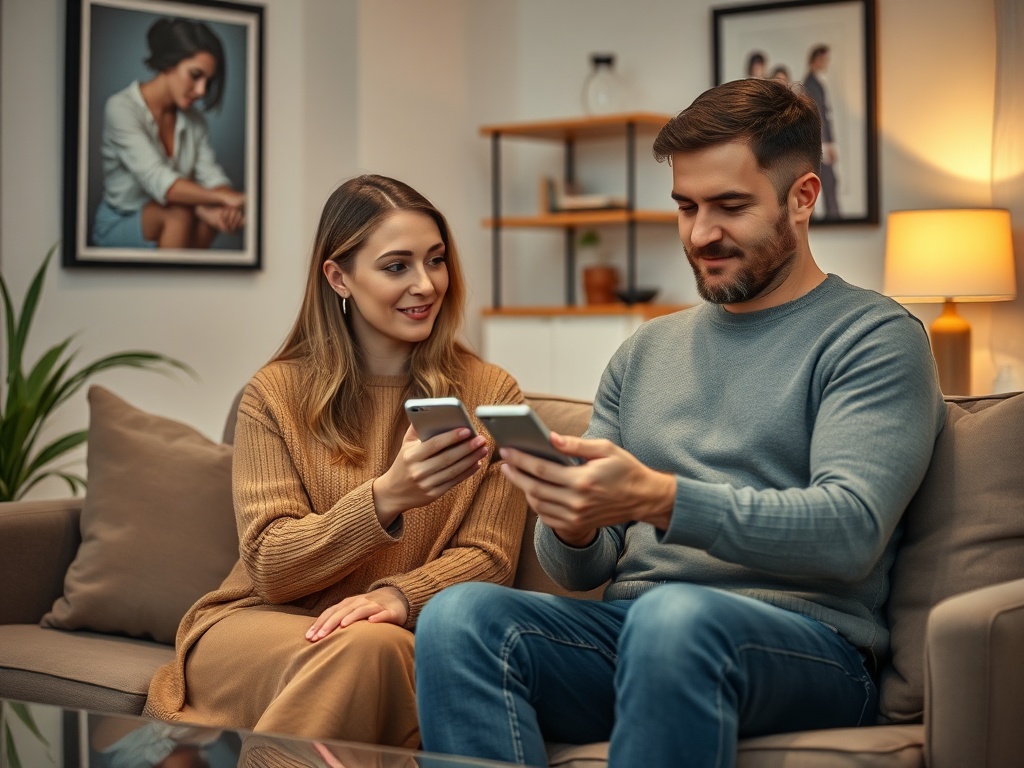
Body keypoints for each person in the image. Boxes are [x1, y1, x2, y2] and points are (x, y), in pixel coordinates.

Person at [414, 78, 945, 767]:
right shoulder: (645, 350)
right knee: (458, 619)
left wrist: (661, 499)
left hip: (807, 649)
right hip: (635, 630)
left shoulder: (873, 337)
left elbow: (850, 531)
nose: (701, 234)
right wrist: (571, 519)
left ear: (803, 197)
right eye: (686, 206)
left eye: (729, 206)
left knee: (674, 620)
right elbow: (583, 569)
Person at [143, 174, 528, 748]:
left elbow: (490, 559)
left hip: (388, 633)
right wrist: (387, 497)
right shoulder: (275, 393)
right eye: (396, 266)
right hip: (256, 626)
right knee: (365, 654)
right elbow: (271, 567)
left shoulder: (491, 394)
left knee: (373, 649)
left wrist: (397, 597)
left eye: (436, 261)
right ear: (337, 276)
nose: (425, 285)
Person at [92, 17, 245, 249]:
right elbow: (162, 183)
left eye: (208, 81)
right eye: (195, 75)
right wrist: (226, 198)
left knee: (210, 219)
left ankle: (182, 284)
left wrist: (225, 207)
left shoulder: (195, 122)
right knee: (180, 214)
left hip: (176, 214)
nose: (202, 90)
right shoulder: (121, 108)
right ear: (168, 62)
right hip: (121, 221)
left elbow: (212, 178)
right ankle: (172, 285)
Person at [803, 44, 840, 220]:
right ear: (815, 60)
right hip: (818, 145)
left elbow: (826, 116)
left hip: (823, 143)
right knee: (826, 182)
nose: (826, 63)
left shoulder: (817, 83)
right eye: (824, 59)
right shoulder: (810, 84)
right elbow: (817, 117)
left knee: (829, 182)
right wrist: (825, 145)